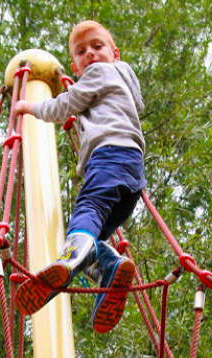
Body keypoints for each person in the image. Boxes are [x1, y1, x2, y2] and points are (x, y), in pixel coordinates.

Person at [14, 20, 146, 333]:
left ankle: (71, 258)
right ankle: (111, 269)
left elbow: (64, 107)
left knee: (87, 212)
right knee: (95, 237)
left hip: (109, 154)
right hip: (133, 172)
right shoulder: (125, 81)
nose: (90, 54)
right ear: (74, 64)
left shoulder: (99, 73)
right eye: (82, 51)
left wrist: (29, 106)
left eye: (97, 47)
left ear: (115, 53)